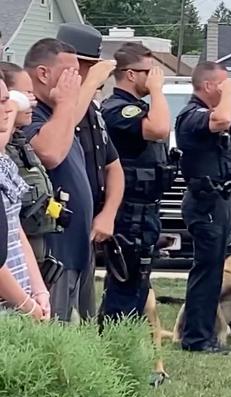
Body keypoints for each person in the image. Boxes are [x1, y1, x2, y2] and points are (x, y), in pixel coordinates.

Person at [99, 42, 173, 324]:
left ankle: (127, 350)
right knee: (125, 287)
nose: (155, 77)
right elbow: (159, 129)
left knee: (138, 286)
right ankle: (116, 351)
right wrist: (157, 90)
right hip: (128, 212)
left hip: (145, 211)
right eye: (149, 71)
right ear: (130, 74)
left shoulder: (137, 107)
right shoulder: (118, 109)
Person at [55, 23, 125, 321]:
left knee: (85, 316)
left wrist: (108, 213)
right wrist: (86, 86)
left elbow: (113, 167)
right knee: (59, 316)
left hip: (89, 226)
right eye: (83, 67)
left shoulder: (93, 111)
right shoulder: (56, 109)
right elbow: (61, 131)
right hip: (59, 229)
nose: (87, 74)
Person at [23, 38, 90, 323]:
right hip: (50, 249)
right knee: (54, 329)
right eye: (70, 72)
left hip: (75, 246)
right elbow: (49, 153)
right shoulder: (29, 114)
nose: (76, 80)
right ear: (43, 73)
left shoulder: (58, 113)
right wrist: (65, 102)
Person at [176, 61, 231, 353]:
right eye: (223, 84)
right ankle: (196, 338)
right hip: (204, 202)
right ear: (208, 86)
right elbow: (224, 119)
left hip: (219, 200)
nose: (230, 90)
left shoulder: (209, 113)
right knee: (206, 271)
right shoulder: (192, 115)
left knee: (214, 270)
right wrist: (228, 93)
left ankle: (205, 333)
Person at [0, 70, 51, 320]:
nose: (9, 109)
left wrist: (38, 289)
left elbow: (15, 229)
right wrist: (28, 305)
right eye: (2, 102)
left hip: (19, 296)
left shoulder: (4, 163)